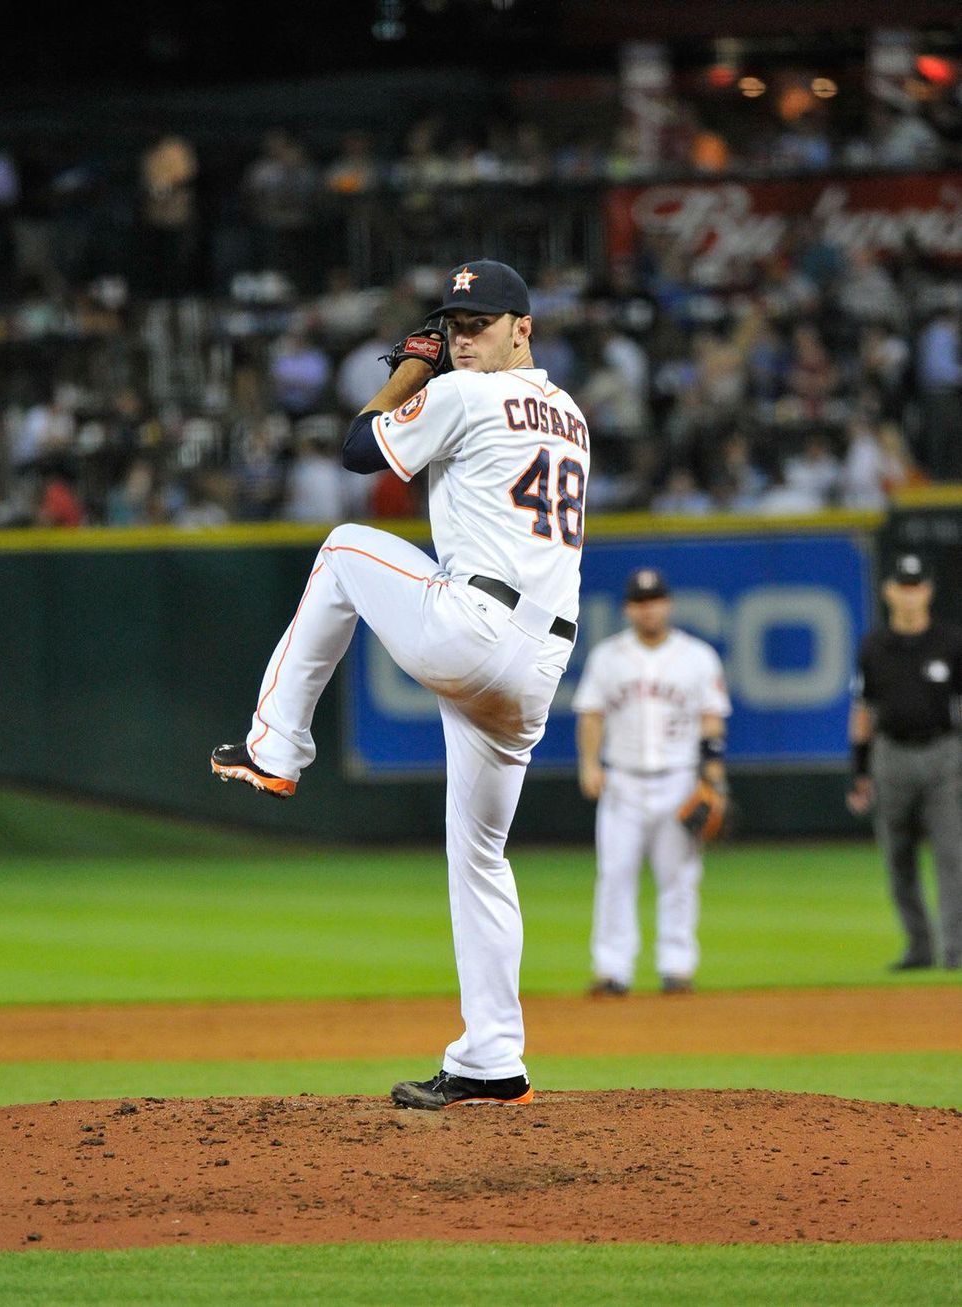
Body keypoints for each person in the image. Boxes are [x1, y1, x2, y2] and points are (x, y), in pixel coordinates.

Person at [211, 259, 590, 1108]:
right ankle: (493, 1059)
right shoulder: (570, 414)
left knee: (345, 547)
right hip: (539, 663)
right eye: (453, 326)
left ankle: (276, 748)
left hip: (476, 626)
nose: (462, 337)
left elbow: (357, 451)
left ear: (523, 327)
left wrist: (411, 372)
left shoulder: (462, 393)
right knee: (480, 856)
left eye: (479, 323)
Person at [572, 567, 730, 995]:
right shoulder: (608, 657)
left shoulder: (697, 657)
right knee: (614, 876)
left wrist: (714, 780)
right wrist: (590, 764)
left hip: (679, 780)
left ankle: (677, 967)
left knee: (680, 877)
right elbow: (591, 714)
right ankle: (612, 970)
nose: (648, 609)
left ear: (668, 604)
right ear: (628, 609)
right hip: (622, 781)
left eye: (655, 600)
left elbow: (712, 720)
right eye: (640, 602)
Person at [847, 554, 962, 971]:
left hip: (943, 754)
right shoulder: (873, 646)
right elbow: (863, 711)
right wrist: (860, 771)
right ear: (888, 591)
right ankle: (919, 948)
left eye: (916, 587)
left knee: (953, 856)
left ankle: (956, 951)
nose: (910, 595)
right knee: (898, 858)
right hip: (891, 756)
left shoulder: (951, 643)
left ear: (928, 591)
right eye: (903, 587)